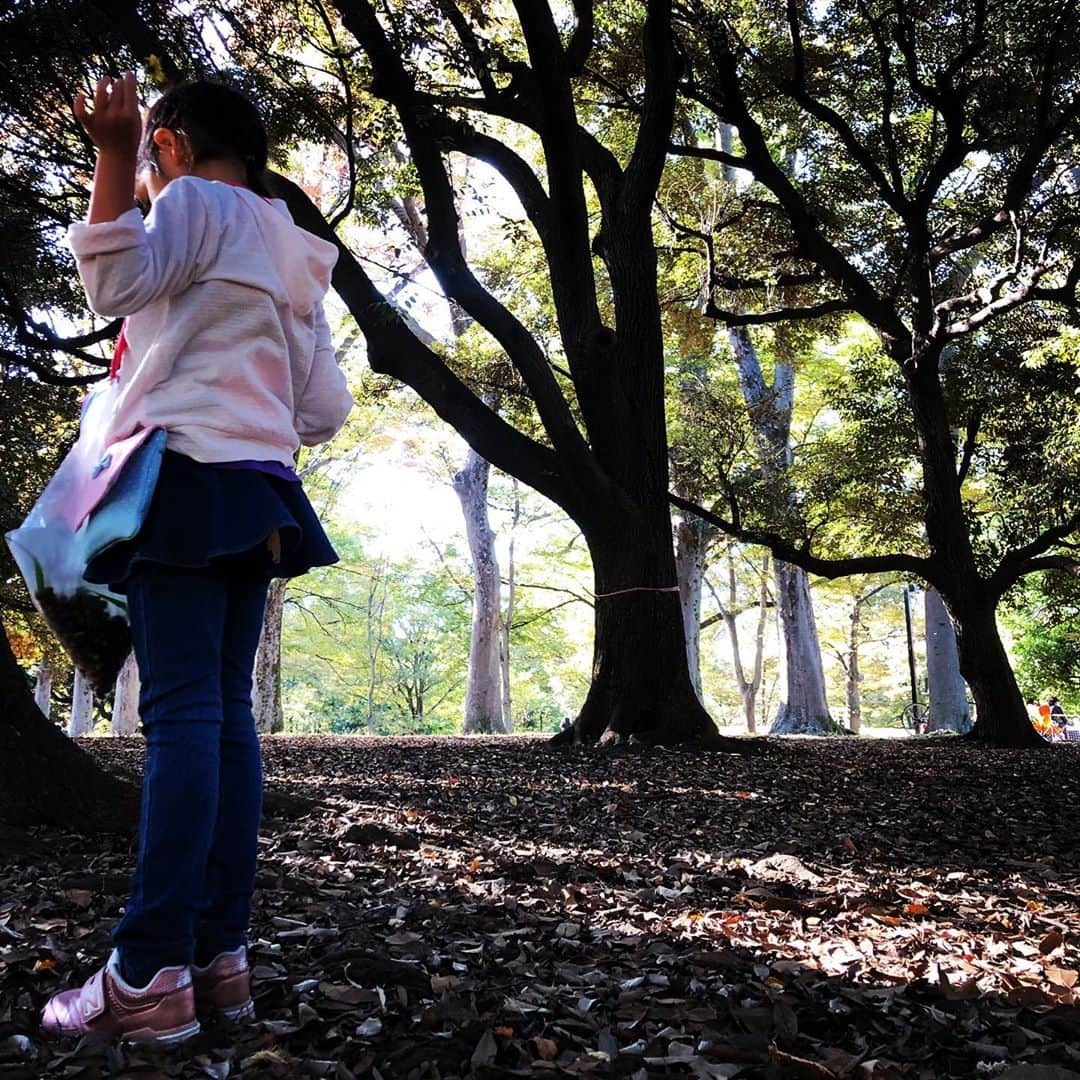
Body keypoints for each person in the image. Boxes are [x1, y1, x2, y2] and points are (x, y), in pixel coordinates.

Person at [41, 75, 352, 1043]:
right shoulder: (294, 248)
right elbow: (323, 411)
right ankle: (220, 960)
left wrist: (107, 151)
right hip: (261, 498)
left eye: (144, 160)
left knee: (180, 722)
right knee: (224, 725)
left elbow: (114, 284)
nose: (138, 178)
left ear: (169, 147)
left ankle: (144, 974)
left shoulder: (191, 203)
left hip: (177, 483)